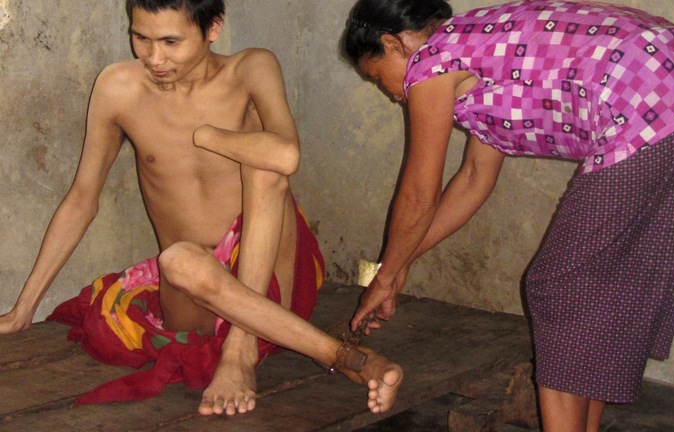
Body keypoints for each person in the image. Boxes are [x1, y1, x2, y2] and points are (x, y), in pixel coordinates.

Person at [0, 0, 402, 416]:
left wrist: (207, 135)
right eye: (141, 38)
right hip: (191, 288)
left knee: (265, 169)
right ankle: (345, 357)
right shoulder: (117, 88)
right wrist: (23, 309)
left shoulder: (251, 69)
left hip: (269, 273)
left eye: (171, 42)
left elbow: (287, 156)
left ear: (213, 28)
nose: (155, 58)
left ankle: (239, 350)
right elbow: (82, 199)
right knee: (177, 260)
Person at [342, 0, 674, 430]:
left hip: (648, 100)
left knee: (556, 288)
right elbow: (473, 179)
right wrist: (399, 265)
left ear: (394, 44)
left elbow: (417, 198)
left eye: (377, 77)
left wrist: (384, 278)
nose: (391, 94)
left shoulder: (430, 63)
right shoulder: (477, 48)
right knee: (605, 291)